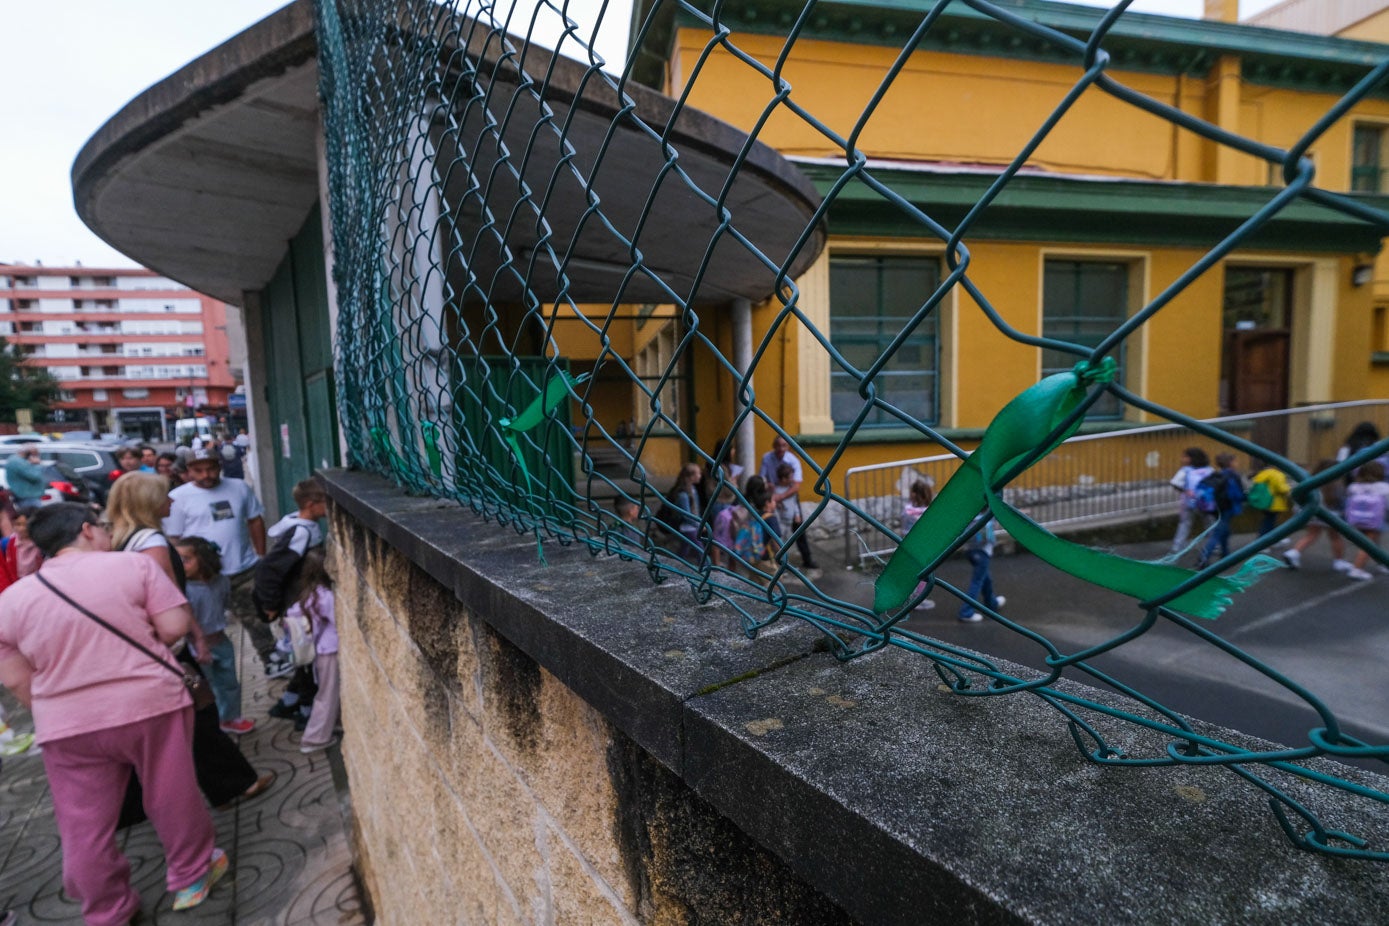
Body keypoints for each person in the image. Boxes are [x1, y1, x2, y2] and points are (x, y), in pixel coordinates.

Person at [0, 503, 228, 920]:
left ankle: (108, 909)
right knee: (170, 793)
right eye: (102, 527)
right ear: (87, 530)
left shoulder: (11, 600)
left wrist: (57, 707)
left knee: (83, 824)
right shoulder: (131, 568)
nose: (107, 534)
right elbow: (174, 627)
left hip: (65, 726)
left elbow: (15, 679)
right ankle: (190, 876)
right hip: (149, 704)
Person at [164, 448, 278, 676]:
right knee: (206, 625)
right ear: (188, 471)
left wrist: (261, 555)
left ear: (220, 467)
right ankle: (208, 671)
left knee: (255, 616)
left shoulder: (238, 487)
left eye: (211, 468)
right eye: (199, 470)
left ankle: (271, 659)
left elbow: (255, 520)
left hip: (243, 568)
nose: (206, 475)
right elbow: (174, 538)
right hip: (203, 577)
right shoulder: (178, 498)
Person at [176, 537, 254, 733]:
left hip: (221, 641)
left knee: (230, 683)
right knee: (204, 686)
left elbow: (225, 603)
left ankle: (230, 718)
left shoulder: (221, 582)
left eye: (186, 559)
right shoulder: (182, 589)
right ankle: (212, 723)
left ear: (203, 559)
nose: (181, 565)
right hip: (196, 647)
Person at [292, 548, 340, 753]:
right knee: (327, 695)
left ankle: (335, 723)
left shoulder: (309, 593)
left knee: (330, 691)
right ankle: (314, 738)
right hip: (330, 652)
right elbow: (339, 621)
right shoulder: (327, 596)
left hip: (320, 651)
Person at [1283, 460, 1352, 572]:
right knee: (1335, 537)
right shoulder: (1337, 484)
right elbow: (1341, 503)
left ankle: (1293, 552)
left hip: (1313, 513)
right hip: (1331, 516)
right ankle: (1339, 561)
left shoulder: (1311, 481)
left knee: (1311, 535)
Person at [1195, 453, 1245, 569]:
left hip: (1216, 507)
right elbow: (1240, 493)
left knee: (1225, 531)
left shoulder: (1216, 475)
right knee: (1218, 533)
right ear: (1230, 463)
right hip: (1227, 507)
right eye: (1236, 461)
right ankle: (1204, 558)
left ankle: (1226, 554)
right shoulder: (1233, 475)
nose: (1237, 464)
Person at [1343, 460, 1389, 581]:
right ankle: (1357, 569)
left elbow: (1348, 499)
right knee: (1368, 545)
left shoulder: (1353, 487)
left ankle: (1382, 562)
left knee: (1372, 542)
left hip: (1357, 518)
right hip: (1375, 520)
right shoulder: (1384, 488)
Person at [772, 462, 820, 572]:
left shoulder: (791, 489)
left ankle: (784, 565)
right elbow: (775, 512)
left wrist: (797, 514)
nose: (793, 479)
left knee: (786, 545)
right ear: (783, 479)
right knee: (780, 545)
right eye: (790, 477)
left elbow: (795, 503)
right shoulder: (776, 492)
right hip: (781, 524)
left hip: (789, 522)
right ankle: (780, 567)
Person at [958, 517, 1004, 623]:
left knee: (986, 578)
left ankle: (991, 603)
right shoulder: (986, 514)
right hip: (982, 552)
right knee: (977, 581)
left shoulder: (972, 512)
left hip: (970, 550)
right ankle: (966, 612)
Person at [1168, 447, 1212, 553]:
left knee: (1184, 524)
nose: (1182, 459)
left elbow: (1175, 483)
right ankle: (1213, 545)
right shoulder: (1209, 469)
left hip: (1188, 502)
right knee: (1209, 523)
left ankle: (1177, 547)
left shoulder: (1185, 470)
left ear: (1191, 458)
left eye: (1185, 456)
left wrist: (1185, 491)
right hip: (1205, 502)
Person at [901, 479, 935, 611]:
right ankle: (918, 599)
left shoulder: (907, 510)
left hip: (908, 547)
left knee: (911, 573)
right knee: (924, 575)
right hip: (924, 548)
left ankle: (909, 596)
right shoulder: (928, 512)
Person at [663, 463, 703, 559]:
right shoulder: (683, 495)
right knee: (701, 551)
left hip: (692, 525)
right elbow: (686, 515)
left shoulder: (693, 489)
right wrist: (699, 524)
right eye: (698, 473)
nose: (700, 476)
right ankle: (706, 569)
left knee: (685, 548)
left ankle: (678, 563)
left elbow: (696, 508)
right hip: (687, 527)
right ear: (691, 476)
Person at [1249, 456, 1292, 538]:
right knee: (1269, 522)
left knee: (1269, 520)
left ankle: (1272, 538)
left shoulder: (1262, 473)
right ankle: (1263, 540)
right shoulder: (1277, 474)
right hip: (1274, 503)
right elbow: (1281, 488)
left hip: (1263, 502)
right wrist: (1289, 488)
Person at [0, 512, 42, 594]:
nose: (21, 529)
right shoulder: (9, 543)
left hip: (40, 587)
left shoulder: (43, 544)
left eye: (25, 525)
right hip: (18, 588)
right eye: (18, 524)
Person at [3, 445, 48, 516]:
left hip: (28, 497)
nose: (37, 456)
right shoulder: (18, 462)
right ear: (29, 453)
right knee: (35, 518)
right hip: (28, 498)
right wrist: (37, 464)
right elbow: (35, 476)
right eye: (36, 454)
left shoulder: (20, 461)